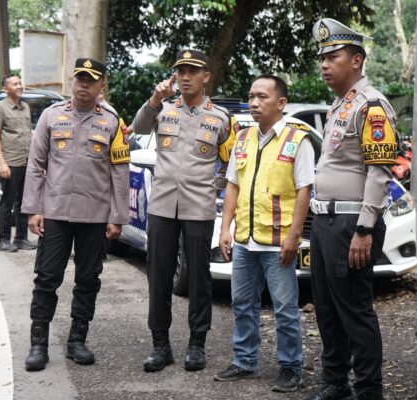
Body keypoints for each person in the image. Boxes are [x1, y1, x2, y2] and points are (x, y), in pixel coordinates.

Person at [304, 18, 397, 400]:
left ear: (356, 60)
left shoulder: (372, 106)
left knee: (354, 310)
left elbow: (379, 173)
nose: (325, 64)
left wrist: (364, 229)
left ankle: (369, 389)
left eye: (334, 56)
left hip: (350, 223)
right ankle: (335, 382)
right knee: (325, 307)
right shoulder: (339, 106)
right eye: (322, 57)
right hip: (325, 222)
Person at [130, 49, 237, 373]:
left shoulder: (220, 118)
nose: (185, 77)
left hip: (198, 208)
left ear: (206, 76)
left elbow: (231, 163)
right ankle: (160, 345)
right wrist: (154, 97)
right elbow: (138, 127)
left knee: (199, 280)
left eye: (192, 71)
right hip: (163, 206)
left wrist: (212, 187)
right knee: (159, 277)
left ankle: (196, 344)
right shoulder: (162, 110)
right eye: (181, 71)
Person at [21, 57, 130, 371]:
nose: (84, 84)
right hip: (55, 213)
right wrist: (34, 210)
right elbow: (36, 164)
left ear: (101, 86)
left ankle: (77, 340)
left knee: (87, 279)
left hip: (94, 217)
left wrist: (116, 216)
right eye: (79, 78)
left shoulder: (112, 122)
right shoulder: (51, 117)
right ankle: (38, 344)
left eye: (90, 79)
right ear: (73, 82)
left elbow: (120, 172)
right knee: (47, 278)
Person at [212, 75, 313, 392]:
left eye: (262, 97)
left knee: (284, 308)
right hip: (245, 239)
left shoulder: (298, 140)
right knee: (242, 303)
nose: (254, 102)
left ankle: (291, 367)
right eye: (251, 96)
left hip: (277, 241)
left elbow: (304, 191)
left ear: (280, 103)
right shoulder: (242, 138)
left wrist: (294, 236)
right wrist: (225, 228)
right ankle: (244, 361)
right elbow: (232, 185)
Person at [0, 74, 36, 252]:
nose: (19, 86)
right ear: (5, 89)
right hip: (10, 162)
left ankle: (21, 238)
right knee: (6, 203)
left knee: (24, 202)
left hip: (26, 162)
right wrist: (1, 163)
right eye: (15, 84)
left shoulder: (26, 108)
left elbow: (28, 134)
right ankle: (4, 240)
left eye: (20, 83)